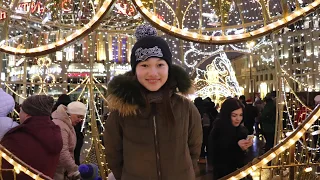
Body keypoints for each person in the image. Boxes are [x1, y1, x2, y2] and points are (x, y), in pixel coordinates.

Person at [104, 24, 202, 180]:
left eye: (160, 65)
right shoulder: (122, 110)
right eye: (144, 65)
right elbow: (113, 153)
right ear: (135, 69)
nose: (153, 73)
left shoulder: (185, 107)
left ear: (168, 68)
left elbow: (194, 149)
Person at [1, 95, 63, 179]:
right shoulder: (54, 133)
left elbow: (5, 169)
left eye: (21, 111)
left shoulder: (18, 138)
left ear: (27, 114)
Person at [208, 98, 253, 180]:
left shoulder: (241, 130)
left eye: (240, 115)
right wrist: (237, 146)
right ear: (227, 115)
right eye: (234, 115)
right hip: (226, 175)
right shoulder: (218, 130)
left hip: (241, 173)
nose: (238, 119)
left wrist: (246, 146)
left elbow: (244, 158)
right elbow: (216, 157)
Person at [52, 101, 87, 180]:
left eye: (82, 118)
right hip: (57, 171)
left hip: (62, 170)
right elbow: (63, 151)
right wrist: (74, 169)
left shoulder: (66, 124)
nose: (80, 120)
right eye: (78, 116)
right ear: (70, 114)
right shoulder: (61, 125)